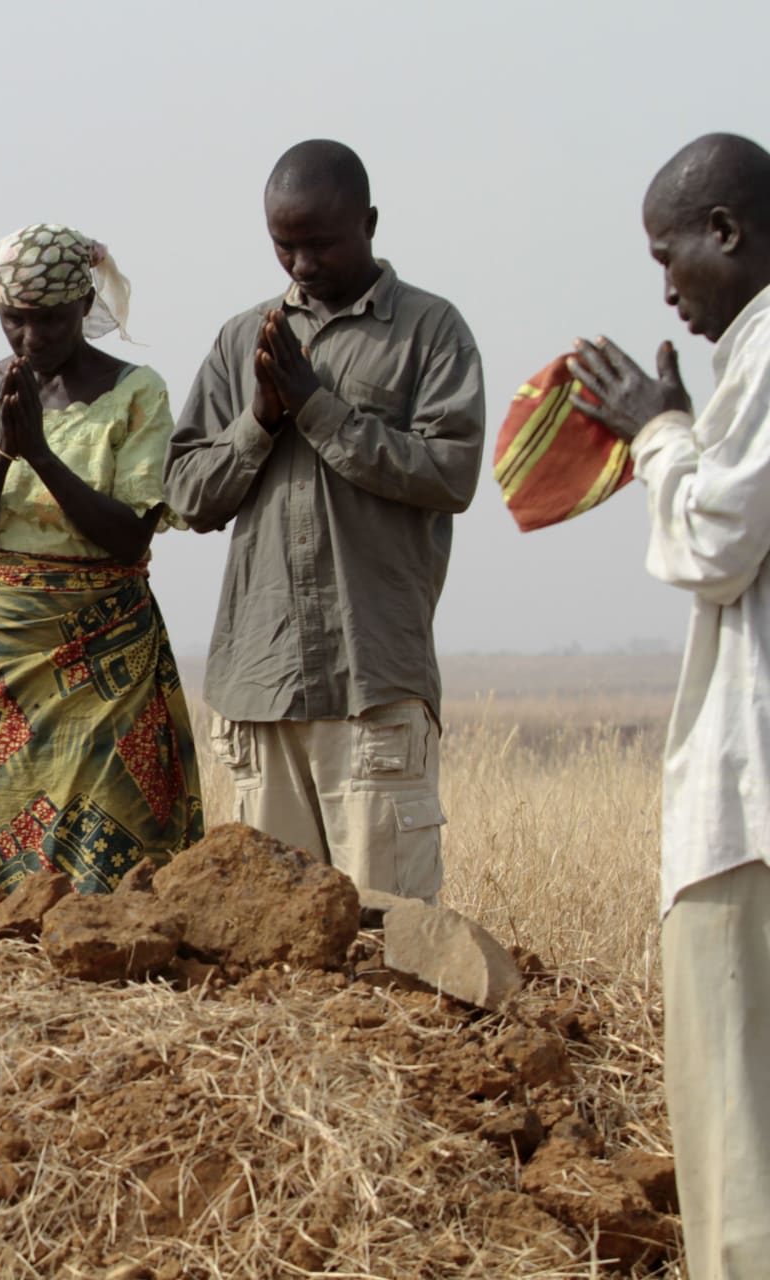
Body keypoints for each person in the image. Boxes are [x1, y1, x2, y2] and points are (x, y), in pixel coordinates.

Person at [164, 139, 485, 902]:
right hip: (259, 687)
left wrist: (317, 408)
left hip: (371, 681)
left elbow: (451, 472)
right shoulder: (243, 339)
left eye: (321, 243)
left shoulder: (432, 331)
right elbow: (184, 494)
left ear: (370, 223)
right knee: (270, 949)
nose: (302, 264)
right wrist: (260, 421)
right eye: (285, 244)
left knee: (391, 942)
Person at [566, 131, 770, 1280]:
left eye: (671, 254)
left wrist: (656, 428)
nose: (666, 287)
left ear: (727, 232)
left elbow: (713, 537)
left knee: (741, 1141)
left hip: (753, 805)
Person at [0, 224, 203, 892]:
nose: (31, 338)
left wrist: (43, 453)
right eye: (15, 320)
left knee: (108, 862)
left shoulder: (135, 392)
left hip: (106, 662)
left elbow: (130, 537)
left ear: (84, 306)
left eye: (50, 320)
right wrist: (3, 452)